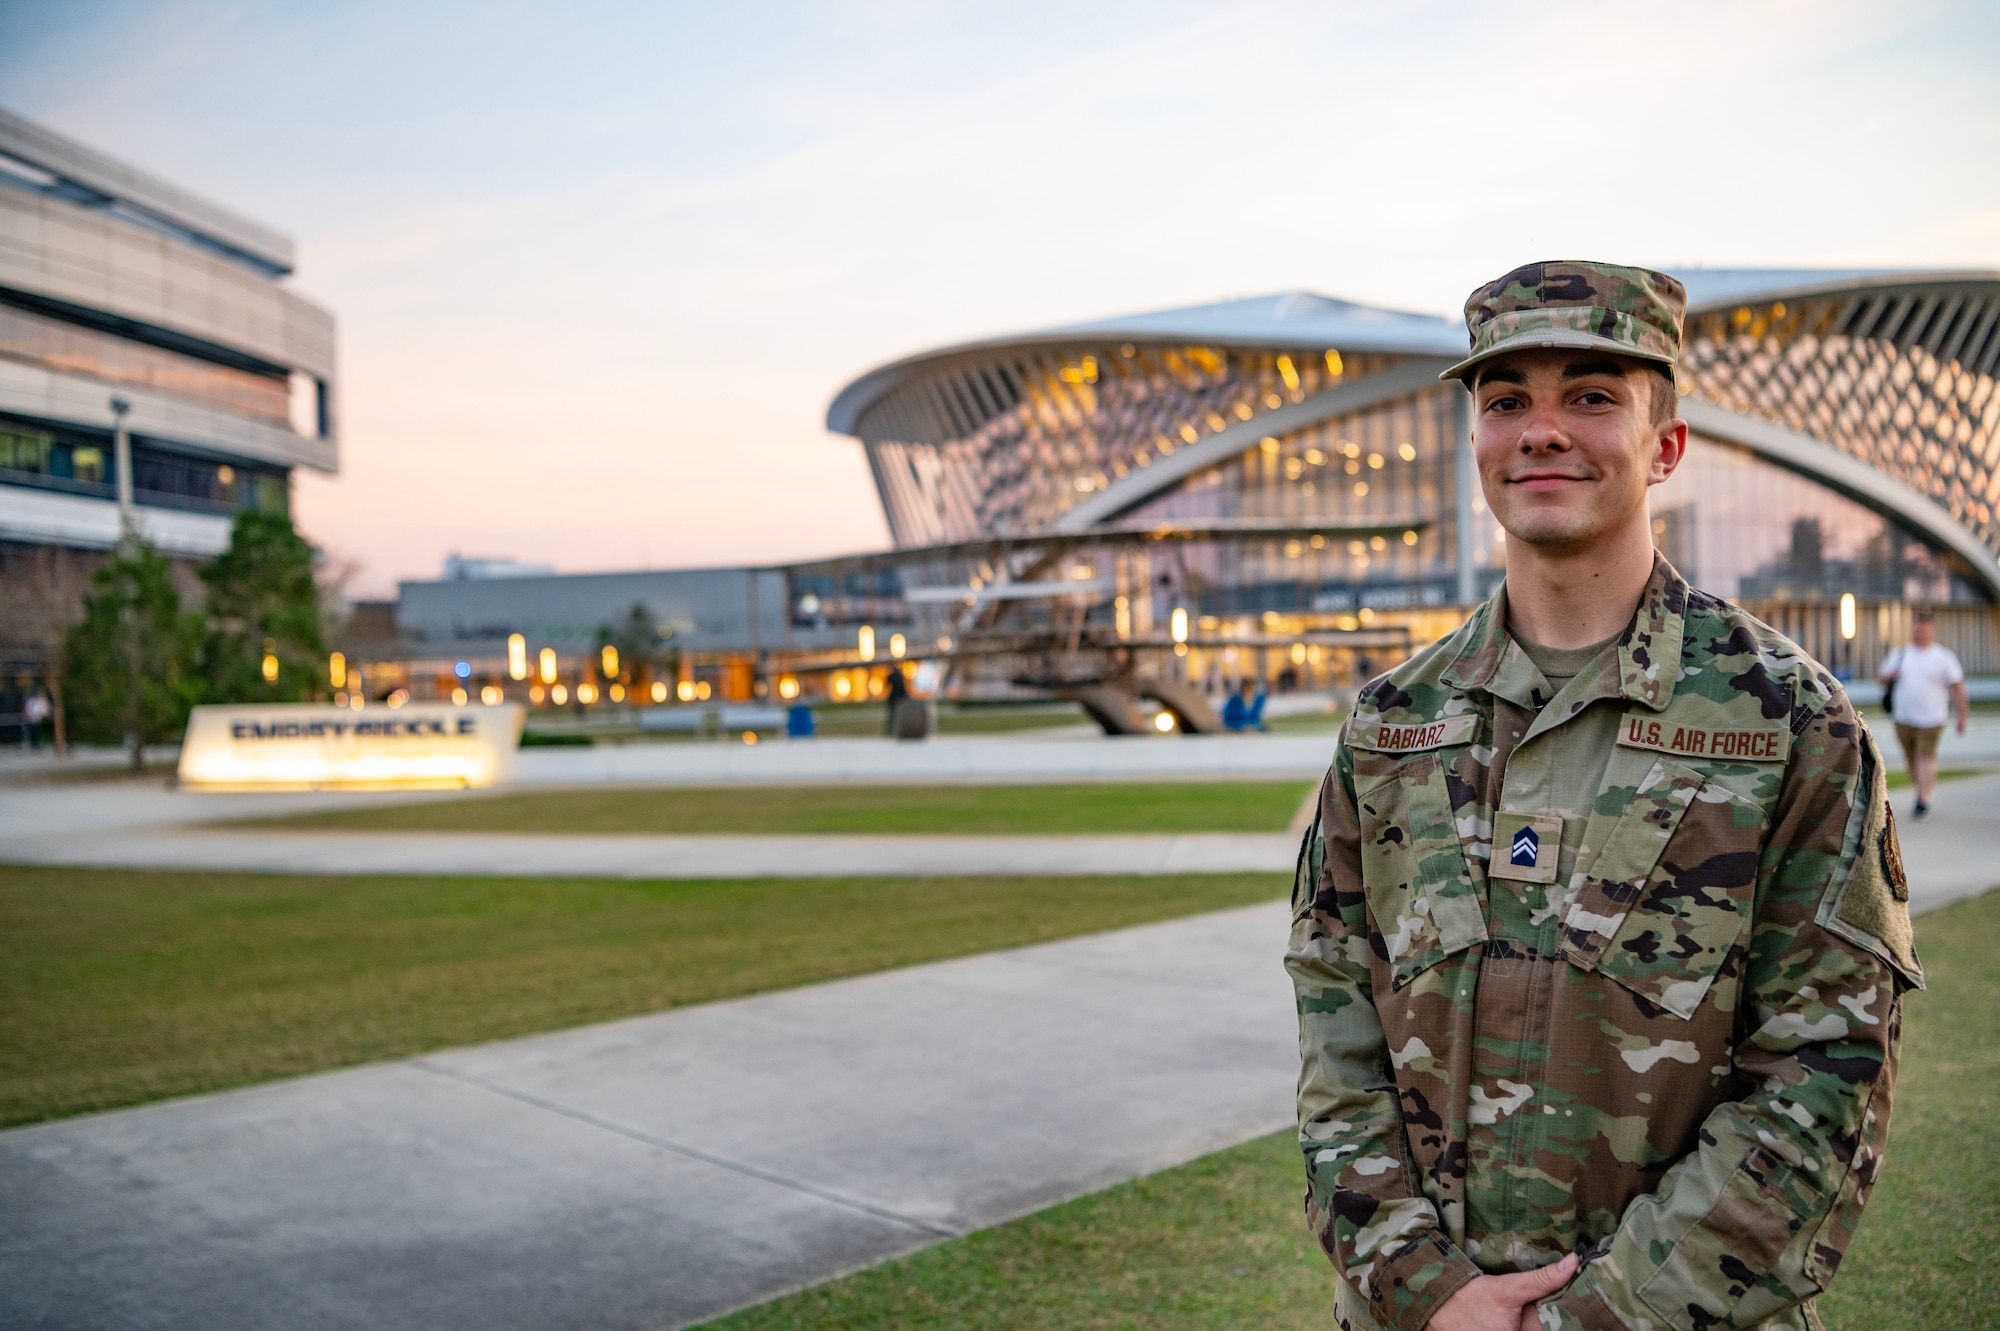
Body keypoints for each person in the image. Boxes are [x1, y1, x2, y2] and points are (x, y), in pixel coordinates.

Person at [1287, 261, 1921, 1331]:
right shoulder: (1391, 724)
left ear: (1662, 445)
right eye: (1504, 402)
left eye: (1588, 395)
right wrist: (1427, 1289)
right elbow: (1335, 1029)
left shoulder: (1783, 722)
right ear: (1476, 444)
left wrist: (1595, 1314)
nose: (1539, 429)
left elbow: (1822, 1073)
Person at [1877, 612, 1966, 819]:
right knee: (1911, 759)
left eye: (1923, 628)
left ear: (1931, 630)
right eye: (1916, 628)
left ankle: (1924, 799)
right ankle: (1921, 790)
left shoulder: (1943, 657)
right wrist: (1890, 676)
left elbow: (1958, 688)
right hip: (1903, 716)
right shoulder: (1901, 654)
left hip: (1932, 718)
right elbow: (1881, 678)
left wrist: (1962, 716)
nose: (1919, 632)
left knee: (1925, 756)